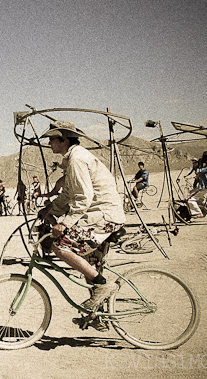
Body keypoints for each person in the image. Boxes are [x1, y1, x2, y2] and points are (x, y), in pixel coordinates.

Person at [37, 120, 125, 312]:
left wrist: (65, 223)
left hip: (103, 216)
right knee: (91, 265)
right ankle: (98, 315)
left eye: (52, 139)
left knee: (60, 245)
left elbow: (84, 197)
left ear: (65, 139)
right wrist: (51, 210)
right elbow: (68, 193)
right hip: (102, 215)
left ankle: (103, 285)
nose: (49, 143)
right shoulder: (72, 159)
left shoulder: (77, 159)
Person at [188, 151, 207, 217]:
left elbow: (198, 171)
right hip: (204, 185)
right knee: (191, 193)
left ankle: (198, 213)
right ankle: (203, 204)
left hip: (206, 186)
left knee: (190, 199)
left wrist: (200, 164)